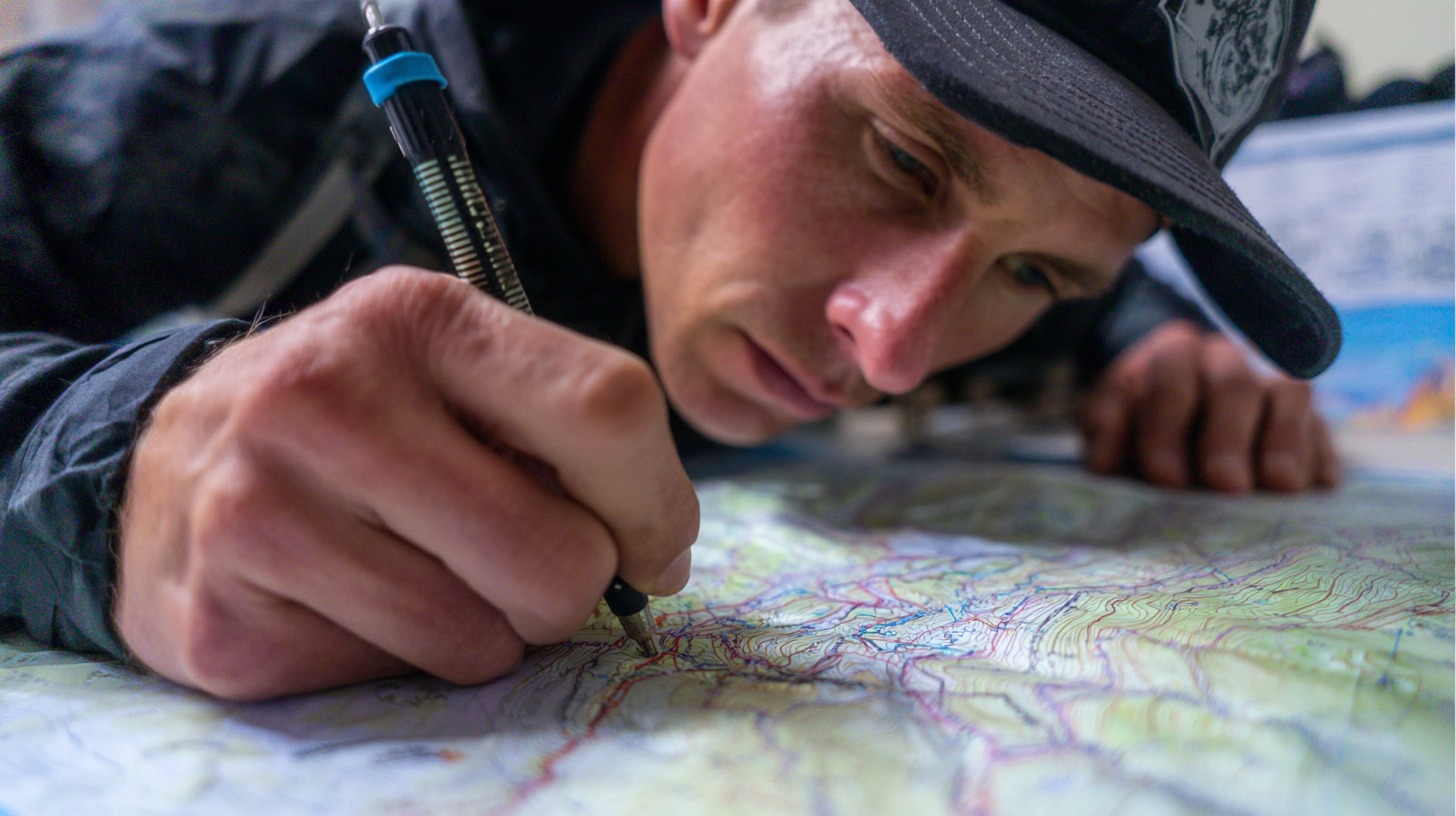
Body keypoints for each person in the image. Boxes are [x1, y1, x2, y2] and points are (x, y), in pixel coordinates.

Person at [0, 0, 1342, 700]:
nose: (892, 351)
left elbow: (1102, 310)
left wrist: (1159, 347)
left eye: (1034, 270)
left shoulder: (967, 309)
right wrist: (114, 473)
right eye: (899, 157)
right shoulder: (213, 104)